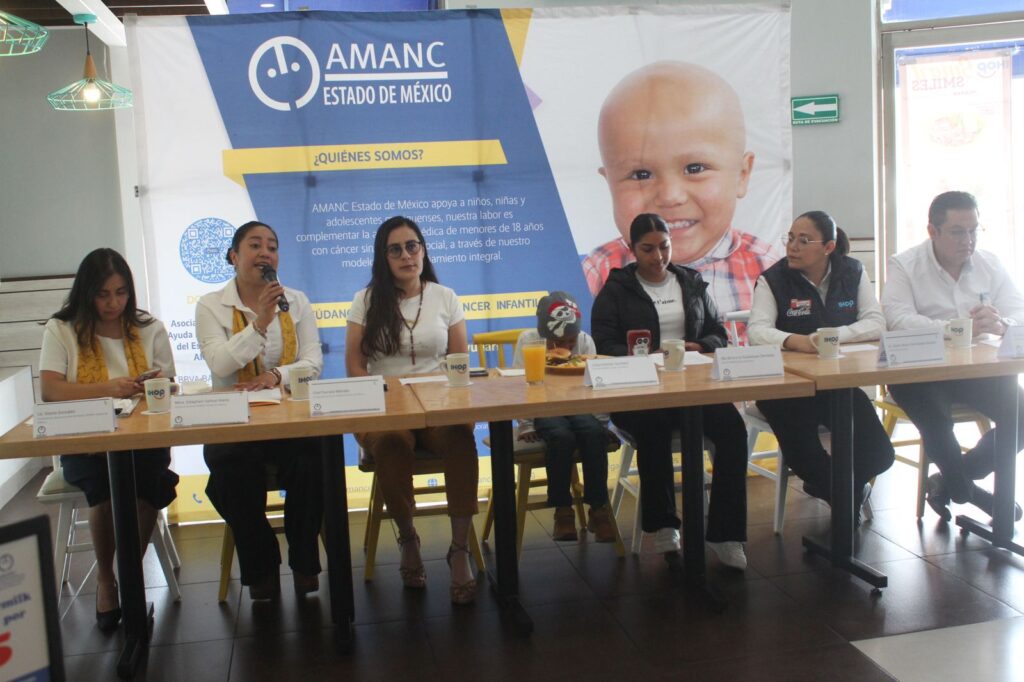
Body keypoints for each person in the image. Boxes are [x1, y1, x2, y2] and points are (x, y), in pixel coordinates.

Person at [591, 213, 749, 570]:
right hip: (638, 393)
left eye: (664, 247)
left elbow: (718, 333)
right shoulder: (616, 290)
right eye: (648, 249)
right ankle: (664, 524)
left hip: (693, 388)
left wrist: (699, 345)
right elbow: (602, 344)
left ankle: (726, 534)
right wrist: (645, 355)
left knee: (732, 430)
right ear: (632, 249)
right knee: (653, 427)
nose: (658, 256)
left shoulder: (690, 282)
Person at [39, 248, 179, 632]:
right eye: (103, 294)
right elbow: (51, 390)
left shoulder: (149, 328)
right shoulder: (63, 329)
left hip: (141, 438)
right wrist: (108, 388)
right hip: (84, 439)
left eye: (121, 293)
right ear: (86, 293)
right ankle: (106, 577)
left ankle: (129, 573)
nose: (113, 303)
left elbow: (169, 384)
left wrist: (155, 386)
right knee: (103, 490)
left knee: (149, 483)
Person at [346, 216, 479, 604]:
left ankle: (459, 549)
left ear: (423, 250)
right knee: (390, 442)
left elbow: (458, 362)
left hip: (437, 407)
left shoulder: (445, 296)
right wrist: (381, 397)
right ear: (383, 257)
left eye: (412, 246)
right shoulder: (366, 300)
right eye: (396, 249)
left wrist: (449, 399)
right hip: (386, 409)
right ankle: (408, 540)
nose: (406, 255)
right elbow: (355, 365)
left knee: (459, 436)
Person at [582, 61, 780, 320]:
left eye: (695, 168)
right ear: (609, 183)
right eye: (641, 175)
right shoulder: (594, 275)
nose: (670, 196)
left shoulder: (769, 271)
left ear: (742, 175)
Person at [195, 221, 325, 600]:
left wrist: (275, 375)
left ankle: (304, 561)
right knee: (230, 469)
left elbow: (313, 363)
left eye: (272, 246)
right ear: (234, 257)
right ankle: (261, 564)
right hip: (234, 423)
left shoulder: (295, 301)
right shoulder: (211, 305)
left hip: (287, 418)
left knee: (314, 457)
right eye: (255, 245)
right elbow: (221, 364)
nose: (265, 253)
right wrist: (261, 322)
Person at [881, 191, 1024, 521]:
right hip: (917, 371)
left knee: (1021, 414)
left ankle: (952, 481)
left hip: (974, 369)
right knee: (938, 422)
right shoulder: (905, 264)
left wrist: (1001, 324)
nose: (968, 240)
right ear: (932, 231)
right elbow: (897, 318)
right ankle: (964, 491)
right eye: (958, 232)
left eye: (974, 230)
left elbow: (1018, 310)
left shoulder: (990, 263)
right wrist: (955, 329)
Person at [748, 211, 894, 516]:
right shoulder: (773, 279)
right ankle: (845, 500)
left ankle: (835, 491)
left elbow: (875, 322)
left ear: (828, 247)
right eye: (790, 238)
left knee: (880, 453)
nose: (792, 246)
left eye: (804, 240)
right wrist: (795, 340)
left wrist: (833, 336)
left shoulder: (852, 272)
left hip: (836, 383)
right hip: (784, 388)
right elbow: (757, 332)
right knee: (805, 457)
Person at [511, 291, 616, 543]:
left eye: (570, 341)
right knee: (561, 436)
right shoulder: (528, 341)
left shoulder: (586, 341)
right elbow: (517, 386)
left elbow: (597, 387)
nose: (565, 348)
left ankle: (598, 508)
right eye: (556, 342)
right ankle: (562, 510)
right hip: (543, 407)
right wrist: (525, 425)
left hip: (579, 406)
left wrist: (602, 423)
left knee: (593, 434)